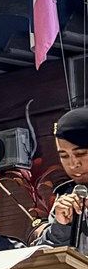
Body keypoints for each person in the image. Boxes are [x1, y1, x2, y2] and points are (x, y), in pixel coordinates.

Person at [37, 106, 88, 253]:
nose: (73, 164)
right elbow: (44, 256)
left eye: (80, 153)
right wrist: (60, 226)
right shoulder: (66, 195)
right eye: (64, 156)